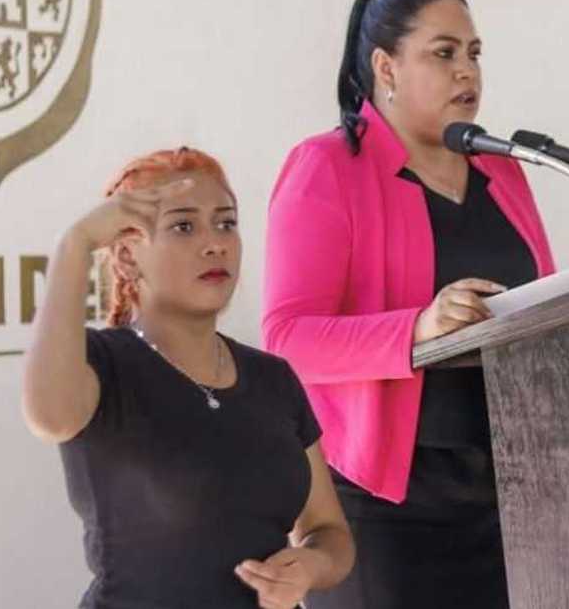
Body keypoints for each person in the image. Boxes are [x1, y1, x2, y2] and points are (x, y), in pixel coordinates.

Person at [263, 0, 555, 609]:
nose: (466, 72)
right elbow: (287, 340)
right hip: (384, 507)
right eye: (444, 53)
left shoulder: (502, 170)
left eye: (474, 54)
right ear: (385, 67)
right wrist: (416, 329)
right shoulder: (328, 167)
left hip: (514, 498)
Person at [20, 147, 354, 608]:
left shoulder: (272, 378)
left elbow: (329, 532)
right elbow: (49, 417)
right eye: (183, 226)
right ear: (126, 256)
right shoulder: (102, 363)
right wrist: (74, 244)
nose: (214, 242)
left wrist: (310, 566)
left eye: (226, 223)